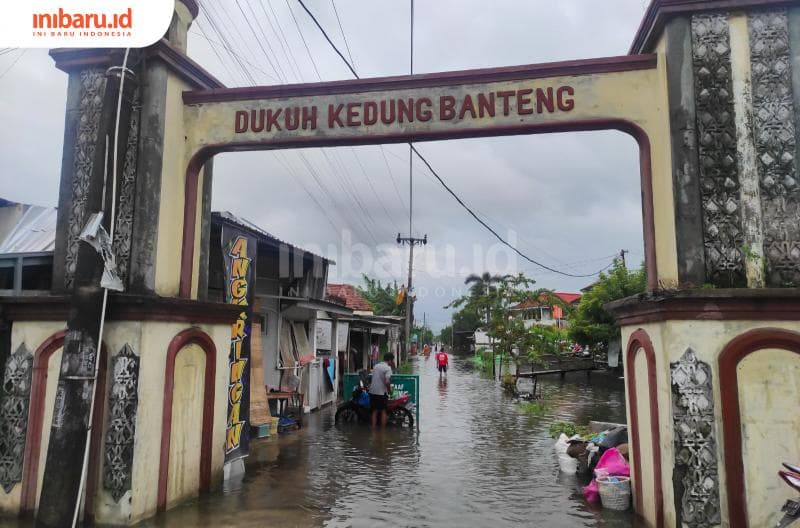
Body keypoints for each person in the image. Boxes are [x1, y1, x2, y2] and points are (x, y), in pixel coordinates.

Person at [369, 352, 394, 428]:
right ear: (389, 360)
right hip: (381, 393)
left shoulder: (376, 366)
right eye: (392, 360)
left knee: (374, 411)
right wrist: (389, 391)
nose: (392, 362)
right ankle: (382, 432)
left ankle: (373, 429)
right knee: (383, 411)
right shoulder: (388, 368)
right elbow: (387, 381)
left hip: (372, 392)